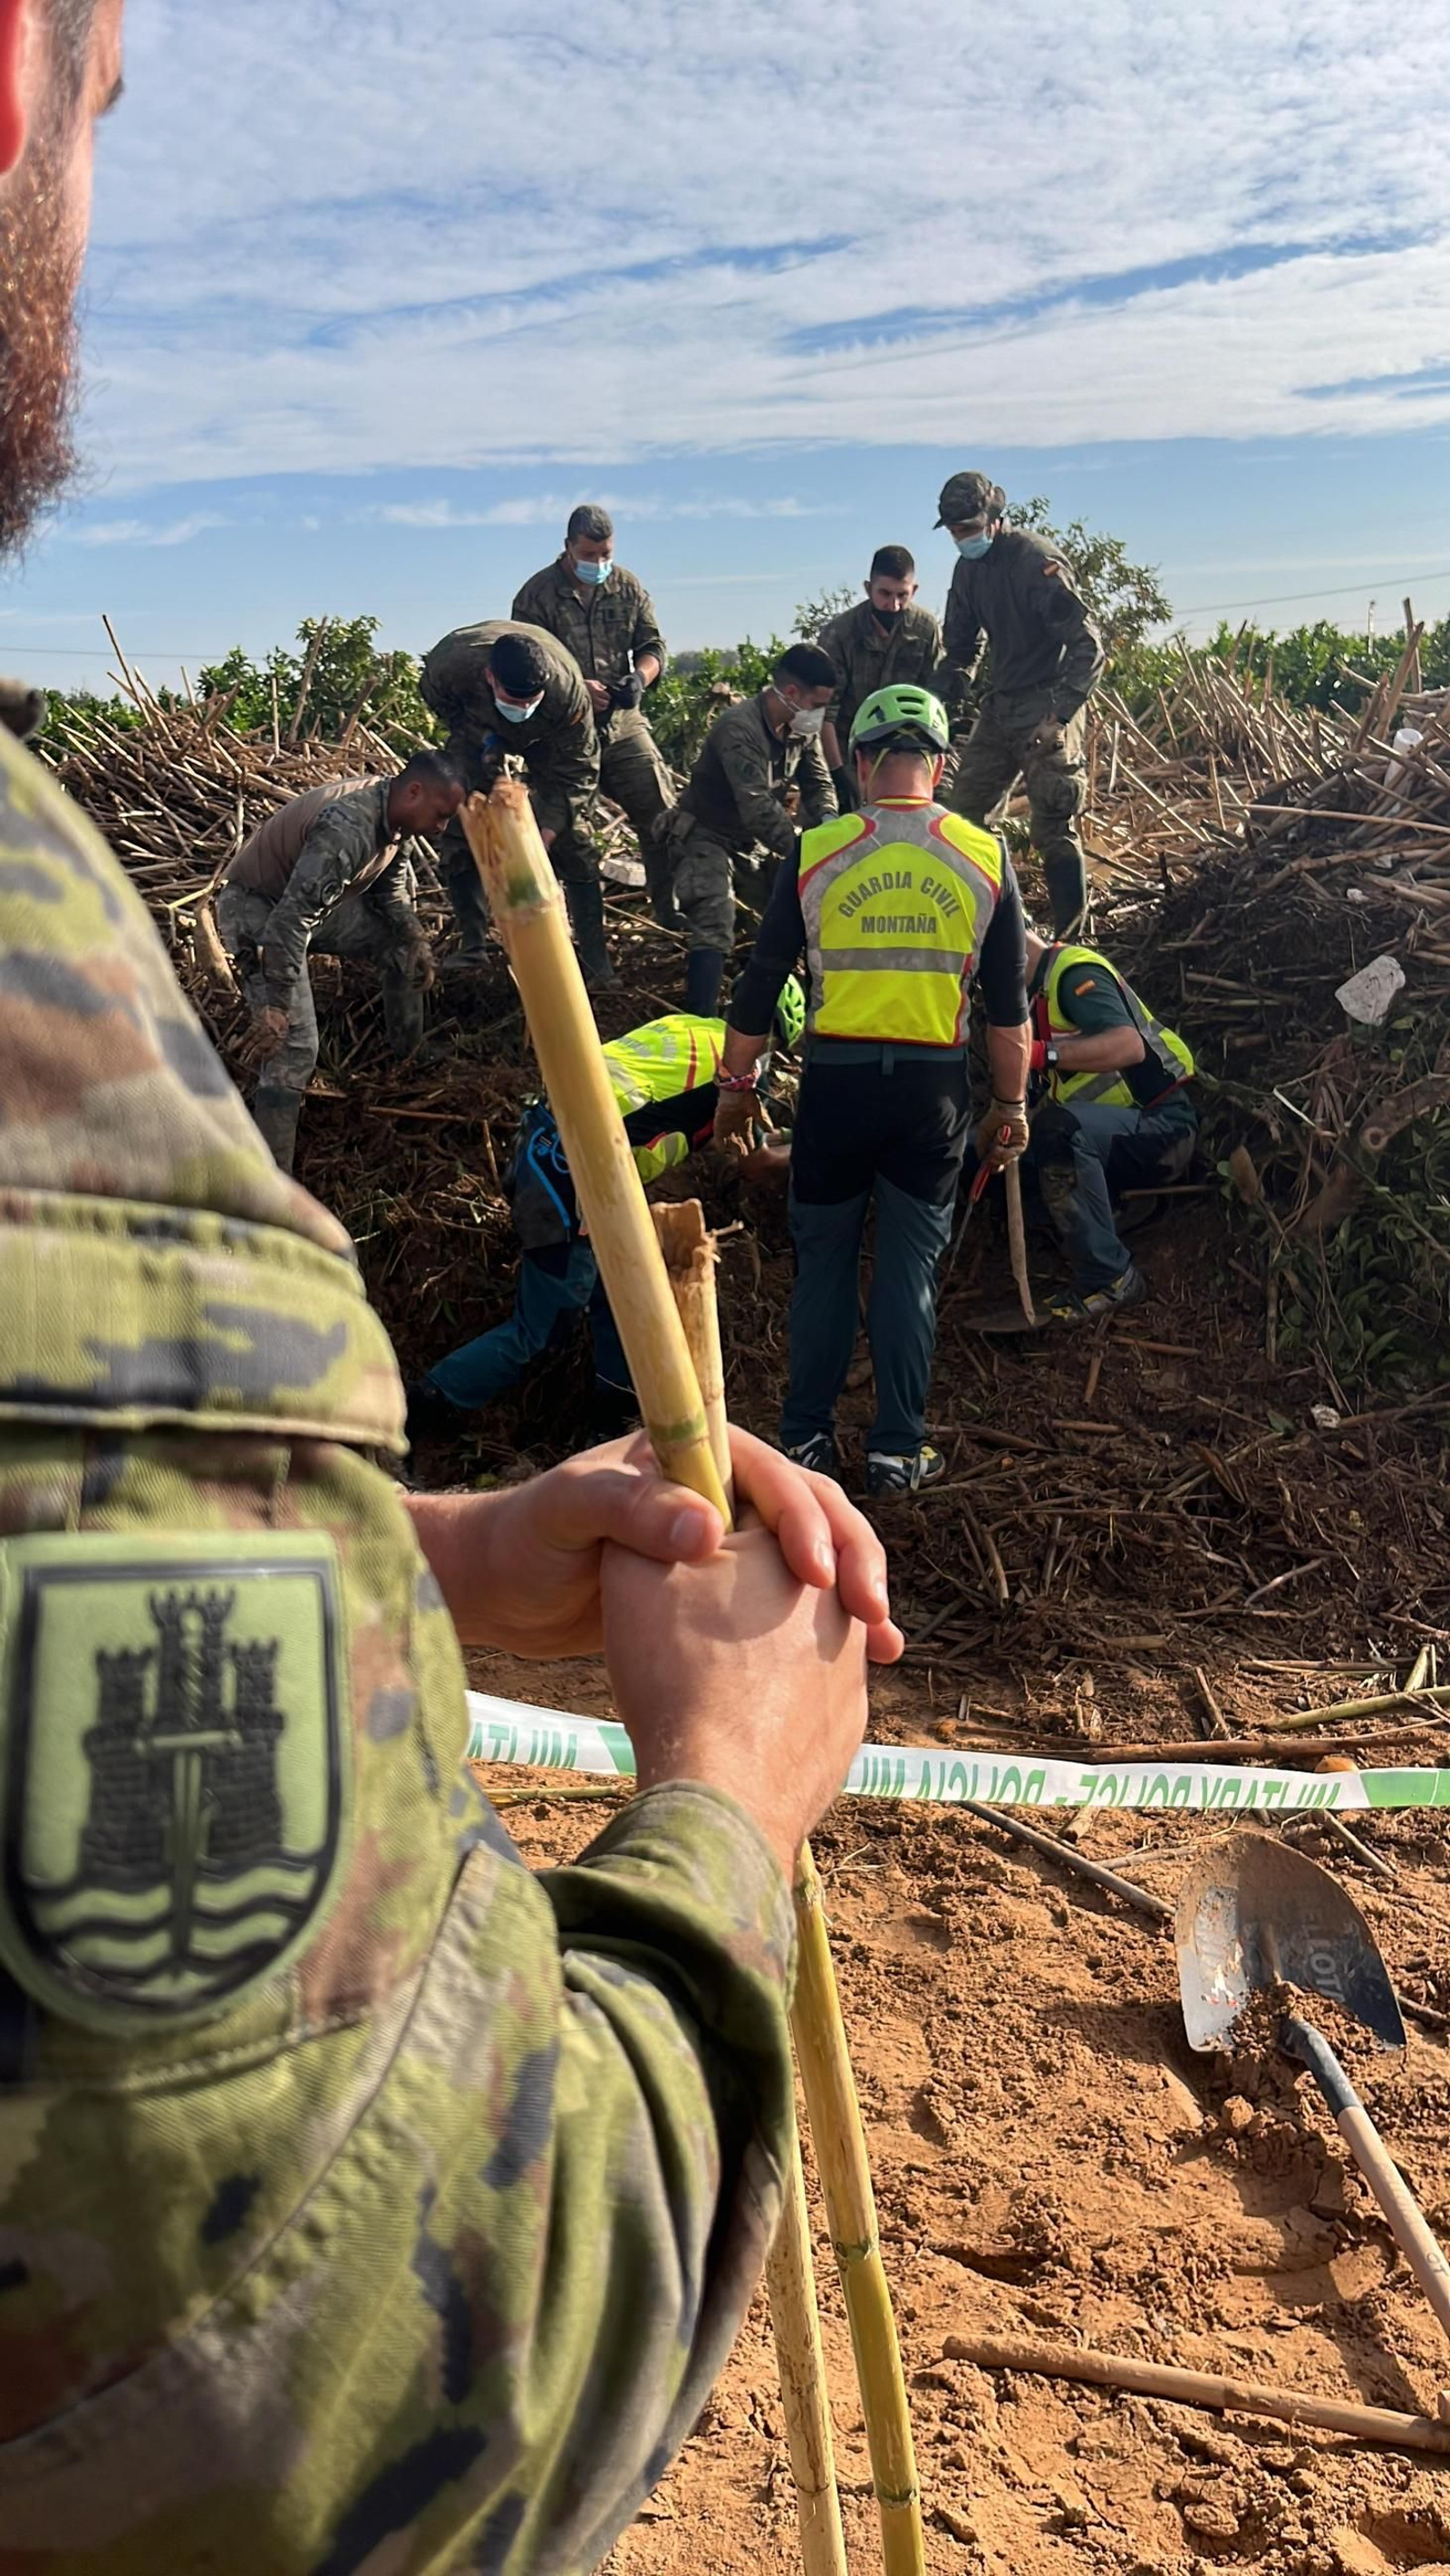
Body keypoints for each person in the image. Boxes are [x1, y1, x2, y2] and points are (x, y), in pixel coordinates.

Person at [0, 11, 904, 2570]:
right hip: (370, 1087)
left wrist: (411, 1560)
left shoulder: (650, 899)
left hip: (542, 1138)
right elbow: (308, 2395)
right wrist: (719, 1810)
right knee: (498, 1293)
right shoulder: (105, 975)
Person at [715, 684, 1031, 1497]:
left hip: (837, 1090)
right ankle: (896, 1450)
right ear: (940, 764)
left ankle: (804, 1445)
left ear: (858, 762)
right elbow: (1008, 1013)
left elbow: (759, 984)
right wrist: (1011, 1106)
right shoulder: (984, 855)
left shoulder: (817, 849)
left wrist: (736, 1087)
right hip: (932, 1098)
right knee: (907, 1271)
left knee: (822, 1265)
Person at [408, 979, 807, 1446]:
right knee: (543, 1329)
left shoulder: (687, 1028)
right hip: (576, 1165)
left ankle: (609, 1431)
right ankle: (418, 1409)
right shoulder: (733, 1071)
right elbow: (754, 1161)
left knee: (622, 1299)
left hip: (552, 1145)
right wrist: (822, 1146)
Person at [217, 752, 464, 1172]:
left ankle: (408, 1054)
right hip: (257, 911)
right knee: (295, 1045)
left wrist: (414, 938)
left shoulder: (395, 821)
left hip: (309, 910)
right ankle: (271, 1181)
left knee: (400, 949)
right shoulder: (347, 827)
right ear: (415, 792)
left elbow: (389, 894)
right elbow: (288, 924)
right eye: (440, 816)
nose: (441, 828)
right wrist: (276, 1004)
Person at [967, 925, 1197, 1325]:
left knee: (1057, 1130)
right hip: (1109, 1141)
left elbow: (1128, 1045)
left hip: (1163, 1130)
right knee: (987, 1153)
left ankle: (1110, 1277)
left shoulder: (1073, 975)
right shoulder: (1034, 1002)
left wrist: (1038, 1054)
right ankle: (1101, 1220)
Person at [936, 469, 1105, 938]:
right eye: (954, 532)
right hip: (1001, 704)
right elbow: (961, 652)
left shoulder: (1036, 561)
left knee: (1053, 825)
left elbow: (1089, 646)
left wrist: (1062, 715)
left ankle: (1075, 940)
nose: (962, 539)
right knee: (963, 821)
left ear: (993, 519)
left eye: (968, 529)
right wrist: (936, 705)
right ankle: (1004, 927)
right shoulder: (966, 571)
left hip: (1047, 702)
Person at [418, 617, 614, 989]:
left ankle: (596, 960)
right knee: (461, 817)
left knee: (578, 843)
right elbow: (444, 707)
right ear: (491, 677)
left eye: (531, 699)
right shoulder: (451, 667)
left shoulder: (566, 695)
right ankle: (473, 943)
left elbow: (578, 774)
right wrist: (481, 737)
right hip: (476, 722)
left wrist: (546, 834)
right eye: (515, 699)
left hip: (549, 739)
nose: (523, 705)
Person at [512, 504, 677, 923]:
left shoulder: (627, 586)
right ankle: (571, 938)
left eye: (606, 555)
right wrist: (574, 688)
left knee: (662, 814)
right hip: (562, 733)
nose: (599, 564)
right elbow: (523, 665)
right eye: (589, 556)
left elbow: (653, 646)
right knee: (568, 837)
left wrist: (639, 678)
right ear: (568, 548)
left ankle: (668, 914)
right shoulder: (535, 597)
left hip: (622, 726)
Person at [665, 642, 838, 1018]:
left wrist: (829, 826)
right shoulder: (740, 728)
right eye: (817, 705)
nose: (819, 715)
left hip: (752, 844)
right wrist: (808, 855)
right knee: (715, 920)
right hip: (706, 835)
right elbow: (758, 806)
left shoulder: (800, 728)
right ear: (792, 694)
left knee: (787, 918)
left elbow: (819, 783)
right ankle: (700, 1025)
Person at [817, 546, 945, 812]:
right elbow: (825, 715)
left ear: (915, 590)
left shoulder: (926, 629)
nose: (894, 605)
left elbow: (934, 702)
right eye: (885, 594)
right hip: (846, 748)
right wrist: (839, 774)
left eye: (903, 595)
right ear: (868, 588)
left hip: (906, 750)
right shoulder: (840, 634)